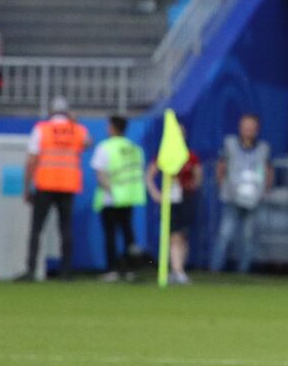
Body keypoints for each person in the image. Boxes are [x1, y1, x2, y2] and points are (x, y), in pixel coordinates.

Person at [21, 97, 91, 281]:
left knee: (37, 229)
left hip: (45, 184)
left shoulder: (41, 129)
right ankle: (66, 272)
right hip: (68, 185)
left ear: (51, 111)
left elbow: (32, 160)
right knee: (65, 229)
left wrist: (26, 185)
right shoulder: (77, 129)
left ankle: (31, 270)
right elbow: (88, 143)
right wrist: (75, 123)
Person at [208, 114, 271, 274]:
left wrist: (265, 190)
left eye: (251, 127)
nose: (248, 131)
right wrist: (221, 184)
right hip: (232, 196)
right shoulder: (230, 144)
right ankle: (215, 269)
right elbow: (221, 166)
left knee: (248, 236)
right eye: (245, 127)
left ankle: (243, 271)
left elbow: (268, 170)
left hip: (254, 198)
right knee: (225, 233)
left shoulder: (263, 148)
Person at [91, 115, 146, 282]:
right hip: (130, 196)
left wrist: (111, 190)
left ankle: (112, 270)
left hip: (111, 197)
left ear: (112, 128)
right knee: (128, 233)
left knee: (110, 234)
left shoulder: (105, 147)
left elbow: (100, 175)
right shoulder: (134, 148)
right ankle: (131, 269)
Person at [145, 141, 202, 286]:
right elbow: (149, 176)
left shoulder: (190, 156)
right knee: (174, 235)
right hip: (171, 200)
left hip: (186, 200)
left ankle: (179, 269)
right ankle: (177, 271)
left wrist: (192, 185)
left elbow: (198, 176)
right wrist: (156, 194)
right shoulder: (164, 156)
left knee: (183, 236)